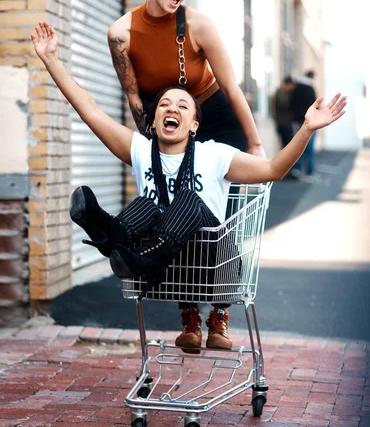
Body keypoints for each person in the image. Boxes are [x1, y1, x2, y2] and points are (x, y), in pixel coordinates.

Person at [30, 21, 346, 353]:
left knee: (186, 200)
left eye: (183, 106)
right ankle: (112, 232)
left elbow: (273, 170)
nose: (172, 109)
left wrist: (308, 129)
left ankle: (195, 302)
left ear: (194, 124)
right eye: (165, 104)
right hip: (170, 267)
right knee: (148, 205)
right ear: (153, 120)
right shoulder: (140, 150)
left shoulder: (216, 155)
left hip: (213, 262)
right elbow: (90, 112)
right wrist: (50, 59)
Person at [107, 0, 265, 157]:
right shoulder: (120, 34)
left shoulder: (199, 25)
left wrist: (255, 144)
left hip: (217, 119)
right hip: (169, 127)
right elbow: (134, 99)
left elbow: (231, 88)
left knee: (226, 191)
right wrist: (152, 145)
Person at [291, 70, 318, 178]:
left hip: (298, 122)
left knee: (298, 145)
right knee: (310, 147)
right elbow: (315, 106)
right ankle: (310, 172)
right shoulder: (310, 89)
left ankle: (296, 169)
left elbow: (291, 104)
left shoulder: (296, 88)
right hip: (310, 121)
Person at [270, 75, 296, 150]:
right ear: (287, 84)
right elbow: (283, 104)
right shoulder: (280, 92)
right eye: (291, 86)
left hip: (287, 122)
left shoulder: (287, 92)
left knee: (288, 144)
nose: (292, 88)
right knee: (285, 145)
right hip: (282, 123)